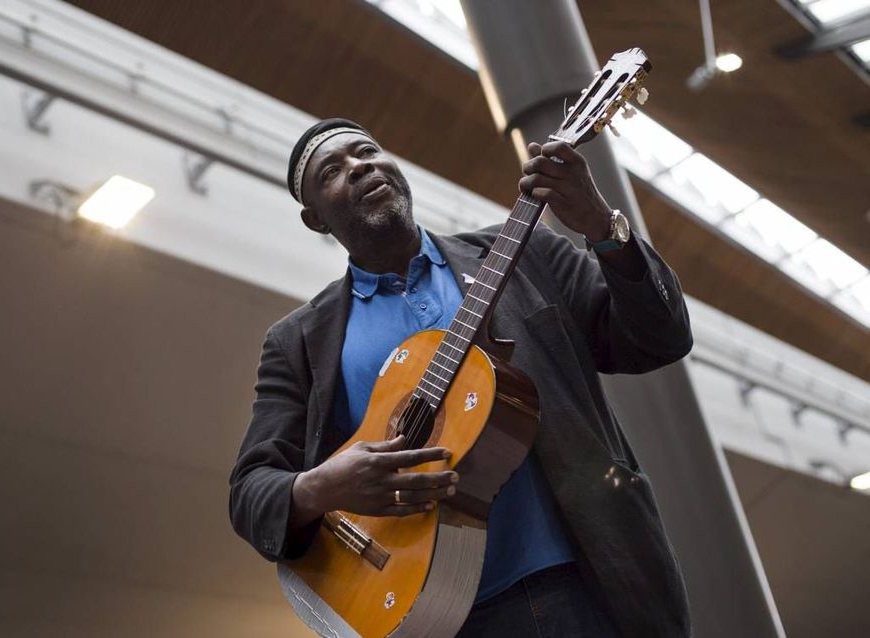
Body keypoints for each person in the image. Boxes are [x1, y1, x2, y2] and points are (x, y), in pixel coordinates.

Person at [229, 118, 693, 637]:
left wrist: (605, 229)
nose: (360, 166)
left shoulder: (525, 255)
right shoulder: (299, 342)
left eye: (367, 150)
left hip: (592, 585)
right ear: (315, 219)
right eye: (333, 171)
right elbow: (251, 491)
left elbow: (661, 338)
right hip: (441, 618)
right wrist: (319, 487)